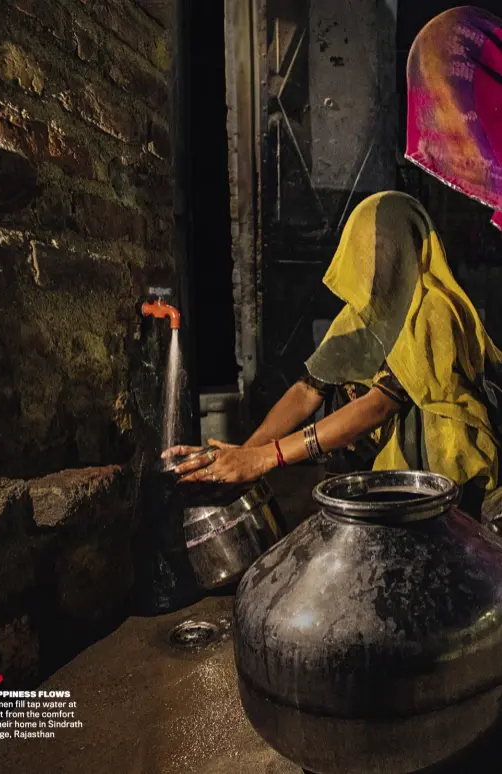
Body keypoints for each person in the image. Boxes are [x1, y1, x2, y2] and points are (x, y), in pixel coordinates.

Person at [163, 6, 502, 517]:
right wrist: (243, 453)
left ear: (409, 253)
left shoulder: (436, 312)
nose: (374, 271)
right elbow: (307, 389)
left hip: (459, 475)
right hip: (408, 468)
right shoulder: (368, 314)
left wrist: (267, 459)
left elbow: (378, 404)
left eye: (382, 256)